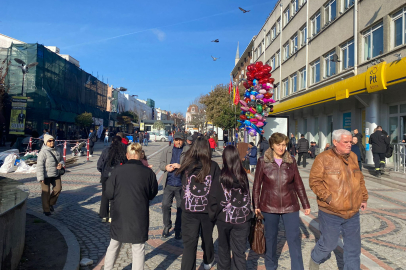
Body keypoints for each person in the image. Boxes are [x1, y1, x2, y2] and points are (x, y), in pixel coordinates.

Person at [309, 129, 368, 270]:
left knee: (353, 249)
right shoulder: (323, 158)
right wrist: (328, 198)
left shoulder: (353, 156)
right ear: (335, 142)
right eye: (345, 142)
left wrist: (363, 198)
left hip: (352, 212)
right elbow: (314, 181)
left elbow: (359, 179)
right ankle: (315, 258)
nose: (350, 144)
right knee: (329, 244)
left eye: (350, 141)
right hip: (331, 212)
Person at [253, 132, 310, 270]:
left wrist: (305, 204)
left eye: (284, 145)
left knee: (294, 239)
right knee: (271, 239)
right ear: (272, 145)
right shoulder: (263, 161)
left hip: (290, 206)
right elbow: (256, 185)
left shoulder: (291, 161)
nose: (282, 148)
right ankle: (270, 266)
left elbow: (298, 184)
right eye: (279, 145)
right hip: (268, 206)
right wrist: (255, 205)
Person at [104, 143, 158, 270]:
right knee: (138, 247)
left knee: (114, 244)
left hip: (119, 213)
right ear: (139, 155)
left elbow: (109, 193)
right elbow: (152, 194)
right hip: (139, 214)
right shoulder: (148, 173)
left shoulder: (117, 171)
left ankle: (107, 268)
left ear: (127, 155)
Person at [176, 137, 220, 270]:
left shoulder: (186, 165)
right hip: (207, 210)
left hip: (189, 210)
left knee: (189, 244)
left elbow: (183, 184)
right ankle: (208, 260)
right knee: (207, 238)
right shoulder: (213, 166)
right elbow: (218, 190)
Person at [208, 145, 251, 270]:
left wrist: (213, 216)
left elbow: (213, 200)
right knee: (239, 253)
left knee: (223, 251)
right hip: (242, 219)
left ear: (224, 159)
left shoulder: (220, 177)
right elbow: (246, 196)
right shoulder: (243, 176)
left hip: (224, 219)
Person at [159, 132, 190, 239]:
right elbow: (161, 164)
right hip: (169, 183)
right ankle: (167, 226)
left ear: (183, 140)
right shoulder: (167, 150)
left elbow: (192, 166)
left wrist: (181, 166)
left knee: (180, 208)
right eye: (176, 140)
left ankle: (178, 229)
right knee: (165, 205)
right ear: (173, 140)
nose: (178, 142)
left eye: (180, 140)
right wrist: (166, 167)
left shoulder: (188, 151)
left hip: (181, 184)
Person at [97, 136, 127, 222]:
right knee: (115, 195)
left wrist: (102, 171)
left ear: (112, 141)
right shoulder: (122, 152)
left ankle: (104, 215)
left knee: (105, 194)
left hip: (105, 175)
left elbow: (99, 164)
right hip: (117, 176)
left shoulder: (106, 150)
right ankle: (112, 216)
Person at [36, 134, 65, 216]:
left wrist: (61, 164)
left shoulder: (58, 150)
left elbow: (62, 159)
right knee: (46, 192)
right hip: (45, 175)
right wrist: (41, 177)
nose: (52, 142)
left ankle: (51, 203)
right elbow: (40, 166)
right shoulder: (43, 152)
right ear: (45, 142)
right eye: (49, 141)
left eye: (53, 140)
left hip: (55, 174)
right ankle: (46, 210)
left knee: (58, 189)